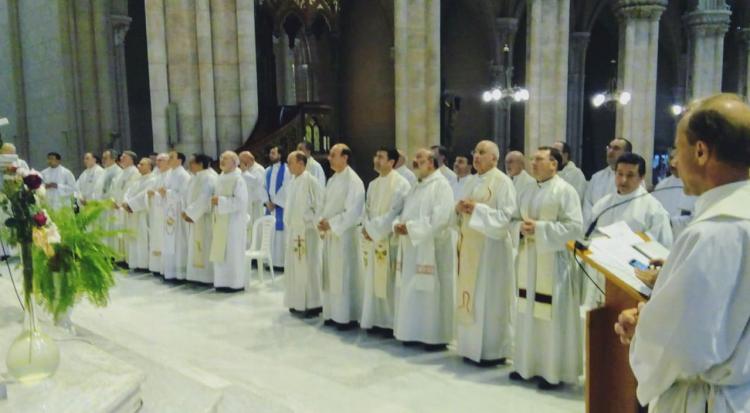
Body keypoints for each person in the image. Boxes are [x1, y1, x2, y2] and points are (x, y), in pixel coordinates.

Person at [614, 94, 750, 412]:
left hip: (708, 400)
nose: (674, 161)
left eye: (678, 148)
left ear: (700, 151)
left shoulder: (716, 230)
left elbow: (680, 346)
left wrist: (642, 323)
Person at [510, 146, 584, 390]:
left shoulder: (566, 191)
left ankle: (551, 372)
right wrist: (519, 228)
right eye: (532, 159)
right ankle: (526, 366)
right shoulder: (527, 189)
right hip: (528, 259)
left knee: (550, 317)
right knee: (526, 312)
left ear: (554, 163)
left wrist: (540, 229)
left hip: (553, 263)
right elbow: (512, 219)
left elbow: (575, 228)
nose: (533, 163)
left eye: (539, 159)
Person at [454, 140, 516, 366]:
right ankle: (469, 347)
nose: (476, 156)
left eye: (482, 152)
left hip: (492, 251)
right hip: (470, 247)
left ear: (494, 158)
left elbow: (505, 217)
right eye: (475, 151)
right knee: (472, 295)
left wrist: (476, 209)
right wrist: (459, 208)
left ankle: (492, 350)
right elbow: (459, 210)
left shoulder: (503, 182)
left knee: (489, 297)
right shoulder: (470, 181)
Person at [392, 148, 455, 351]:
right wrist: (398, 225)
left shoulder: (441, 186)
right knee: (410, 289)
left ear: (431, 162)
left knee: (430, 291)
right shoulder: (416, 187)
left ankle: (432, 336)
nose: (415, 162)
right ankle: (411, 331)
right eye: (415, 158)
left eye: (419, 158)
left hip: (431, 249)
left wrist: (409, 228)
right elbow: (404, 213)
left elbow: (440, 220)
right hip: (411, 247)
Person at [360, 147, 411, 336]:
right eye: (376, 155)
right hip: (374, 239)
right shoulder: (373, 184)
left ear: (392, 162)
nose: (376, 159)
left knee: (389, 283)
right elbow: (367, 209)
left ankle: (389, 323)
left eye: (380, 157)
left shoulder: (401, 184)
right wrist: (366, 227)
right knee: (374, 280)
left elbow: (395, 212)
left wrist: (373, 230)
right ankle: (375, 319)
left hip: (390, 240)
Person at [318, 144, 366, 329]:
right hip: (331, 234)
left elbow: (353, 211)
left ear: (345, 157)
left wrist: (332, 223)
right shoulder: (333, 179)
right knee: (331, 274)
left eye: (333, 155)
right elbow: (325, 204)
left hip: (344, 235)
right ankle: (332, 312)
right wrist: (322, 220)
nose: (329, 158)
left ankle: (346, 315)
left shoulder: (353, 181)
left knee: (344, 275)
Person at [588, 153, 673, 247]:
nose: (623, 180)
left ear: (641, 177)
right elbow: (589, 237)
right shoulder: (602, 205)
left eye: (630, 175)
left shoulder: (653, 209)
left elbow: (663, 246)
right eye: (620, 174)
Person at [283, 150, 324, 317]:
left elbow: (320, 205)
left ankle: (314, 303)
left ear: (301, 163)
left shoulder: (311, 181)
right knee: (294, 268)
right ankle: (296, 301)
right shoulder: (292, 182)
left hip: (308, 232)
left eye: (290, 162)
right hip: (294, 231)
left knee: (310, 267)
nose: (288, 166)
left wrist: (308, 220)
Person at [210, 151, 249, 292]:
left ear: (234, 162)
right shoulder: (220, 178)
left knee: (232, 252)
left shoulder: (238, 179)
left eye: (225, 158)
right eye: (220, 158)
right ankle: (221, 282)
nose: (221, 160)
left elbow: (240, 202)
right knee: (221, 252)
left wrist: (220, 201)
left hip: (234, 223)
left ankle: (235, 283)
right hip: (220, 221)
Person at [183, 154, 218, 285]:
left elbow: (204, 198)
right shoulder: (196, 177)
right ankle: (196, 276)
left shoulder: (209, 177)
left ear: (200, 164)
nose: (189, 166)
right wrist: (187, 211)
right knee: (196, 246)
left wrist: (190, 213)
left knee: (205, 246)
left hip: (205, 218)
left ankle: (206, 277)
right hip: (196, 217)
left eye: (192, 163)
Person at [583, 138, 632, 222]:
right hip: (595, 230)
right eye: (609, 147)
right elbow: (587, 205)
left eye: (616, 148)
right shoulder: (596, 178)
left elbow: (633, 208)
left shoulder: (633, 179)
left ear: (627, 153)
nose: (610, 151)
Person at [652, 147, 697, 239]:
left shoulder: (698, 186)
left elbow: (699, 219)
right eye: (671, 158)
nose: (673, 163)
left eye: (678, 158)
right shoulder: (662, 186)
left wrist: (671, 223)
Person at [122, 157, 157, 271]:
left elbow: (144, 195)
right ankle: (135, 262)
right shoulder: (137, 180)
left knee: (143, 238)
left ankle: (144, 264)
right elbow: (128, 192)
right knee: (133, 238)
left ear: (149, 166)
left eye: (142, 164)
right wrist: (126, 202)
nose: (138, 166)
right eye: (139, 164)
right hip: (132, 213)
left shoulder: (153, 180)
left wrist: (130, 204)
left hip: (142, 214)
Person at [161, 151, 191, 281]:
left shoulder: (183, 175)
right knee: (169, 241)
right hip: (169, 211)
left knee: (179, 242)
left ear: (179, 160)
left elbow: (184, 195)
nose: (168, 159)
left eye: (171, 157)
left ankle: (180, 272)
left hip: (178, 213)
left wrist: (166, 192)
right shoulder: (169, 174)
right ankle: (170, 271)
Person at [111, 151, 140, 263]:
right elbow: (114, 189)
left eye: (124, 157)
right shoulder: (120, 173)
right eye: (121, 157)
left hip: (126, 208)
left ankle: (129, 259)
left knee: (128, 234)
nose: (121, 158)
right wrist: (113, 200)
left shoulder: (135, 173)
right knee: (119, 233)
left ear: (131, 159)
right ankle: (121, 257)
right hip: (117, 208)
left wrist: (123, 203)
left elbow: (132, 190)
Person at [264, 145, 291, 268]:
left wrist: (275, 202)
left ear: (280, 155)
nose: (271, 155)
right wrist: (267, 201)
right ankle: (270, 261)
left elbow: (286, 187)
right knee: (270, 233)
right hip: (270, 207)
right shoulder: (267, 170)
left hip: (281, 207)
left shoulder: (286, 170)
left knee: (280, 235)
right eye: (270, 152)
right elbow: (263, 187)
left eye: (273, 153)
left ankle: (280, 262)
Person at [147, 153, 170, 276]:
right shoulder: (157, 176)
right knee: (156, 237)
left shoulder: (170, 176)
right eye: (157, 160)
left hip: (166, 213)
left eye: (161, 160)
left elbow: (166, 194)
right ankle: (157, 267)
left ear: (168, 161)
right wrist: (151, 194)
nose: (158, 163)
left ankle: (164, 267)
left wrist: (154, 194)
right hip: (156, 212)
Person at [239, 151, 268, 247]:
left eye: (243, 161)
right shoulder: (246, 170)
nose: (241, 163)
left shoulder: (259, 169)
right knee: (247, 230)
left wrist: (245, 172)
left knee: (256, 229)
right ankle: (248, 251)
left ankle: (256, 252)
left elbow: (256, 183)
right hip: (247, 205)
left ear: (251, 160)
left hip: (255, 206)